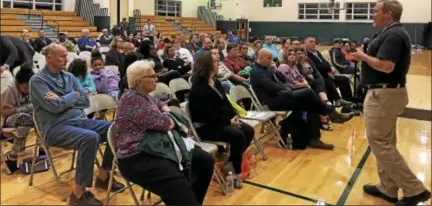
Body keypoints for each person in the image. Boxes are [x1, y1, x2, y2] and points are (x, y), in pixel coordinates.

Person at [350, 0, 431, 205]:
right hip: (384, 95)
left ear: (388, 13)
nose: (372, 14)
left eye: (376, 11)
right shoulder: (391, 32)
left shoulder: (394, 34)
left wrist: (362, 57)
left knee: (381, 144)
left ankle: (415, 190)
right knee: (385, 142)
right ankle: (388, 188)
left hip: (383, 96)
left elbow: (386, 66)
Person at [30, 44, 124, 206]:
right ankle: (78, 194)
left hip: (79, 121)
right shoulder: (37, 81)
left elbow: (85, 100)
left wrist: (64, 98)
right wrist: (74, 94)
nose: (66, 59)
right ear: (49, 58)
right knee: (90, 138)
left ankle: (103, 175)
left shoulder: (69, 77)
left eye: (66, 56)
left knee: (115, 127)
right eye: (62, 56)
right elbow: (55, 106)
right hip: (55, 129)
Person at [115, 60, 214, 205]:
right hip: (137, 156)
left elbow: (159, 104)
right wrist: (168, 117)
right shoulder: (132, 100)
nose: (156, 79)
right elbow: (165, 123)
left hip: (156, 146)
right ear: (140, 81)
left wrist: (165, 111)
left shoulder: (144, 95)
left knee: (205, 161)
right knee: (178, 184)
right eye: (152, 76)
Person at [189, 51, 254, 187]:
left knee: (248, 130)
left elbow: (226, 103)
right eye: (215, 62)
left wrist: (233, 115)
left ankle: (228, 163)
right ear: (206, 65)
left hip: (221, 121)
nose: (218, 63)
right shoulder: (198, 88)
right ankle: (235, 171)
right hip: (206, 126)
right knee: (237, 135)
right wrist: (229, 121)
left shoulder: (216, 81)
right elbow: (205, 115)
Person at [250, 49, 334, 150]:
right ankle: (327, 111)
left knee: (310, 103)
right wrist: (283, 87)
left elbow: (283, 80)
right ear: (261, 58)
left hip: (281, 96)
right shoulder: (256, 72)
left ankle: (314, 139)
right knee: (308, 92)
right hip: (272, 102)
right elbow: (272, 87)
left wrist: (275, 70)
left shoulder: (267, 68)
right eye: (269, 58)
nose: (271, 60)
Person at [1, 64, 36, 173]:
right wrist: (24, 108)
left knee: (39, 117)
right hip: (7, 118)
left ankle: (42, 151)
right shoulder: (9, 90)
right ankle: (12, 156)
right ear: (18, 84)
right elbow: (3, 111)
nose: (27, 91)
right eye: (25, 88)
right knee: (26, 119)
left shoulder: (33, 85)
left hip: (25, 116)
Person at [304, 37, 354, 103]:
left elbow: (325, 62)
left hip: (328, 74)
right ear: (304, 43)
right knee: (328, 83)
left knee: (344, 79)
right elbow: (316, 67)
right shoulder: (306, 55)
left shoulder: (317, 52)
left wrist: (330, 69)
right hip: (319, 77)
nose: (313, 43)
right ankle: (336, 101)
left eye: (314, 42)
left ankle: (348, 102)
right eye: (311, 42)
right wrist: (329, 69)